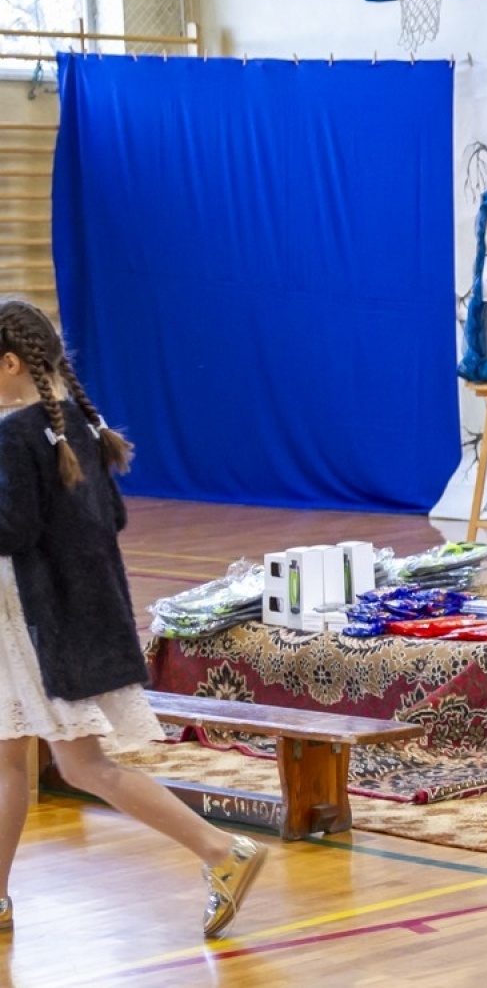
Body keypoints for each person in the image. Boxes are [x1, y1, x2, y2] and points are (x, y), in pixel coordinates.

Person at [0, 298, 266, 938]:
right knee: (14, 757)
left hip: (35, 625)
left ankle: (221, 849)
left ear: (9, 364)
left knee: (81, 766)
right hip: (61, 618)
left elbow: (13, 530)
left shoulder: (16, 434)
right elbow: (111, 518)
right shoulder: (77, 425)